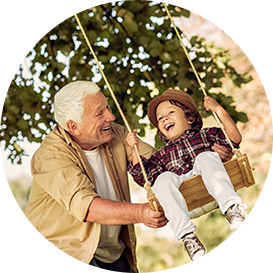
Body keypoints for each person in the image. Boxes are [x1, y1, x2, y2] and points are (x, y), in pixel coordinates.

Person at [24, 80, 169, 273]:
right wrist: (141, 213)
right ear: (73, 127)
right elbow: (88, 207)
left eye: (107, 106)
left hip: (112, 250)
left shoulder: (114, 132)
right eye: (99, 113)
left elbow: (158, 163)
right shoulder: (51, 156)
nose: (111, 116)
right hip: (65, 251)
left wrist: (206, 155)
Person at [126, 89, 251, 266]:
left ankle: (232, 209)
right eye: (160, 119)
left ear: (190, 118)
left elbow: (234, 138)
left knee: (205, 157)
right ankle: (188, 237)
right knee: (162, 179)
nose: (164, 119)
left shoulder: (206, 135)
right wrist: (133, 148)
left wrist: (218, 109)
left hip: (212, 188)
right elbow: (143, 177)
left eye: (170, 113)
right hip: (184, 201)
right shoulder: (162, 155)